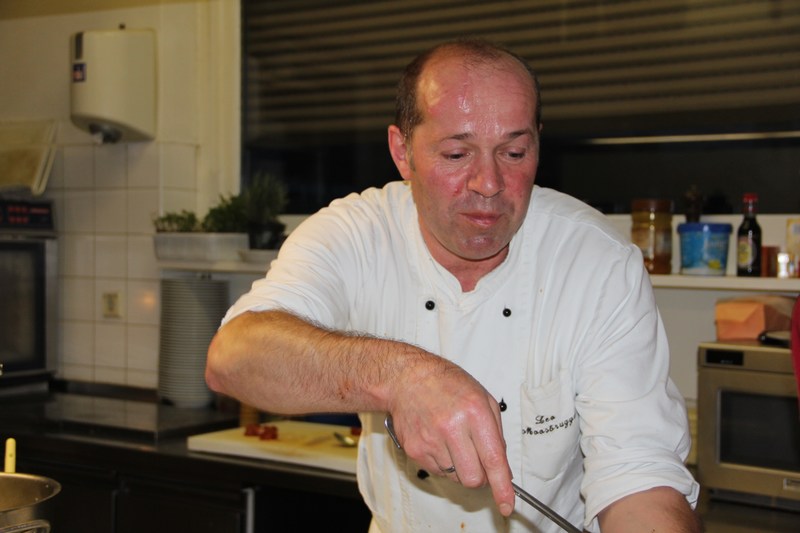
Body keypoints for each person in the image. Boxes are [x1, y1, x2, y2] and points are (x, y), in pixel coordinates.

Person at [206, 38, 701, 532]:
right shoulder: (356, 234)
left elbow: (638, 472)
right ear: (402, 152)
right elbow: (233, 359)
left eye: (514, 152)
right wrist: (403, 376)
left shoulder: (595, 261)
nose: (489, 182)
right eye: (457, 153)